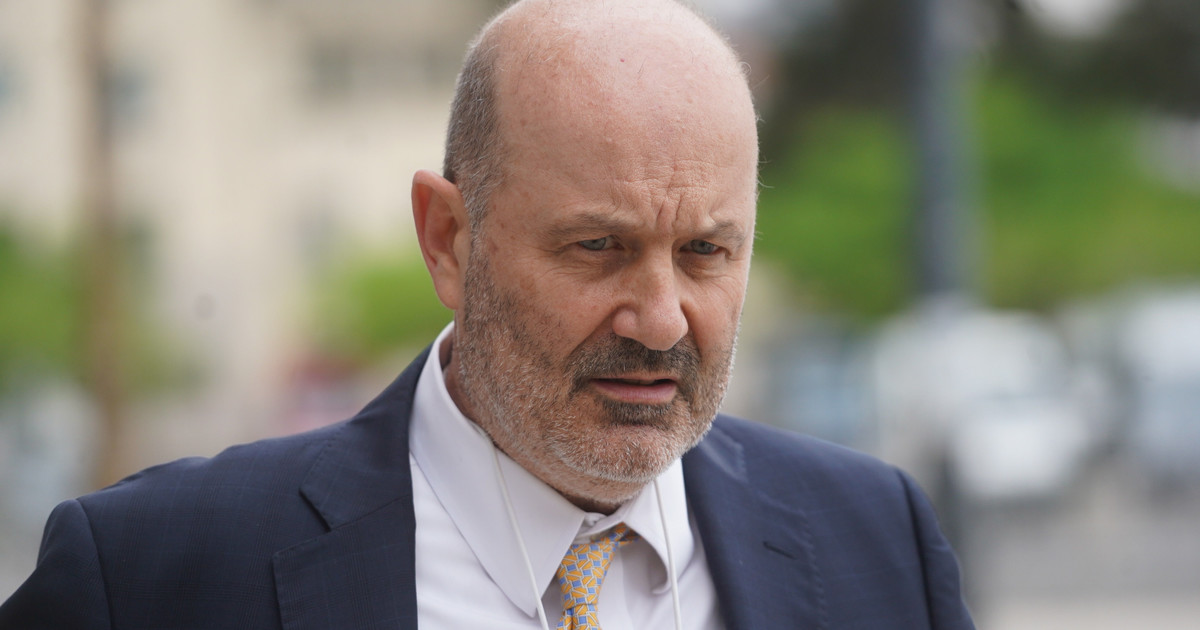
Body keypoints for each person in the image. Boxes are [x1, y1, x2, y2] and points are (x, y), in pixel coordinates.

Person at [0, 0, 975, 628]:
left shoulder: (876, 542)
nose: (662, 321)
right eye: (597, 246)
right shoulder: (152, 576)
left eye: (705, 253)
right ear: (448, 239)